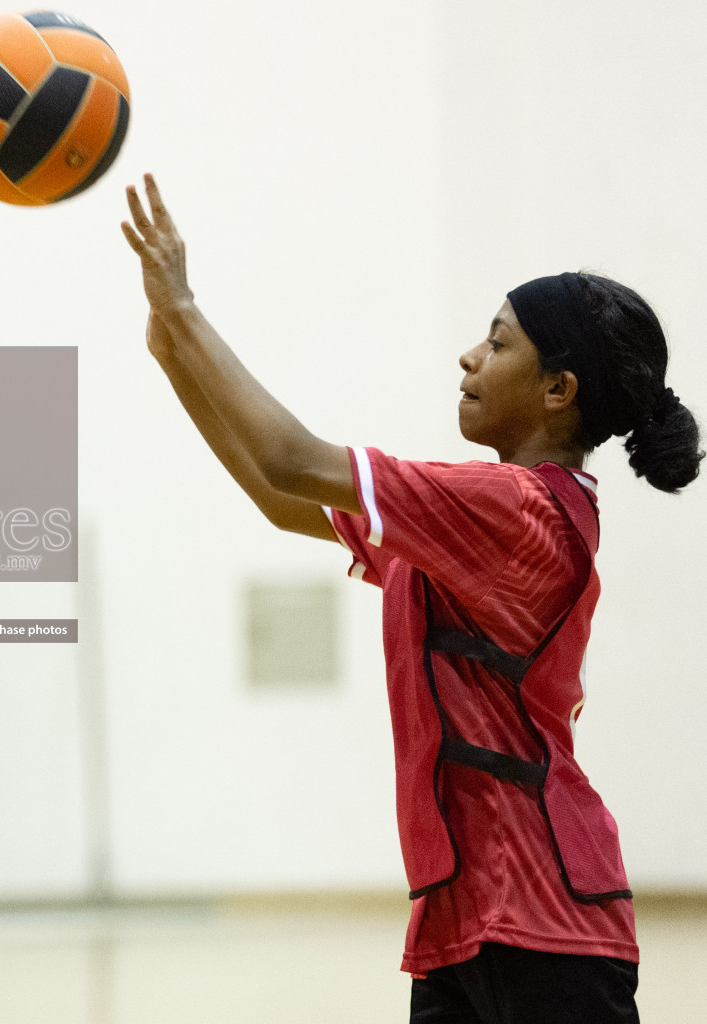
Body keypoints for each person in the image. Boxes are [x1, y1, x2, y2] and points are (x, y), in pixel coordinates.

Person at [121, 174, 699, 1023]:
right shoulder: (477, 520)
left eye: (498, 344)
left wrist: (188, 311)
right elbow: (279, 498)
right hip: (462, 922)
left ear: (557, 390)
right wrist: (174, 347)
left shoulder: (513, 511)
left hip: (543, 919)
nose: (470, 357)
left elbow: (290, 458)